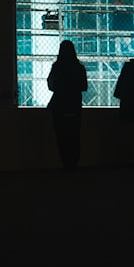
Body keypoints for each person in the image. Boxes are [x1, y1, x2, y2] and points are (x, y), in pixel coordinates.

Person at [47, 40, 88, 170]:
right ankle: (74, 163)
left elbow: (51, 85)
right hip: (74, 103)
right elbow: (84, 86)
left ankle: (65, 163)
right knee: (74, 135)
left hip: (59, 104)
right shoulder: (79, 67)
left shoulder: (57, 67)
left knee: (61, 135)